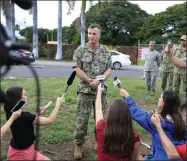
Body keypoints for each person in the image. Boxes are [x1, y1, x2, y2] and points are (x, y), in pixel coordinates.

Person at [72, 24, 112, 159]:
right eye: (89, 33)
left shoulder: (105, 51)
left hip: (100, 90)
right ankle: (78, 144)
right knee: (82, 119)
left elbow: (109, 69)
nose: (91, 36)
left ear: (99, 35)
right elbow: (76, 68)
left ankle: (99, 142)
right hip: (85, 90)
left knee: (100, 120)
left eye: (94, 34)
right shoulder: (80, 50)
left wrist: (99, 81)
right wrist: (90, 81)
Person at [120, 88, 185, 160]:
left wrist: (128, 97)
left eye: (160, 97)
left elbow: (137, 113)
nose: (158, 98)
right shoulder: (182, 123)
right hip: (180, 156)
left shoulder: (157, 122)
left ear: (164, 103)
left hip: (161, 157)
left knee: (140, 158)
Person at [4, 86, 64, 160]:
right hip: (24, 154)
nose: (27, 96)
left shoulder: (10, 112)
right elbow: (50, 120)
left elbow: (24, 122)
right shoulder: (26, 116)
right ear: (18, 99)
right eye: (24, 95)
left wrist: (37, 116)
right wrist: (58, 104)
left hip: (14, 150)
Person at [95, 84, 140, 160]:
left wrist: (99, 91)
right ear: (128, 116)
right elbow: (133, 159)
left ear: (110, 114)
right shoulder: (134, 135)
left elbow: (98, 109)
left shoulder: (101, 128)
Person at [166, 35, 186, 102]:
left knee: (185, 88)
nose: (182, 41)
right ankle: (175, 102)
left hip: (185, 72)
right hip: (176, 71)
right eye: (181, 40)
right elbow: (172, 56)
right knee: (175, 87)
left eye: (184, 40)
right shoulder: (177, 49)